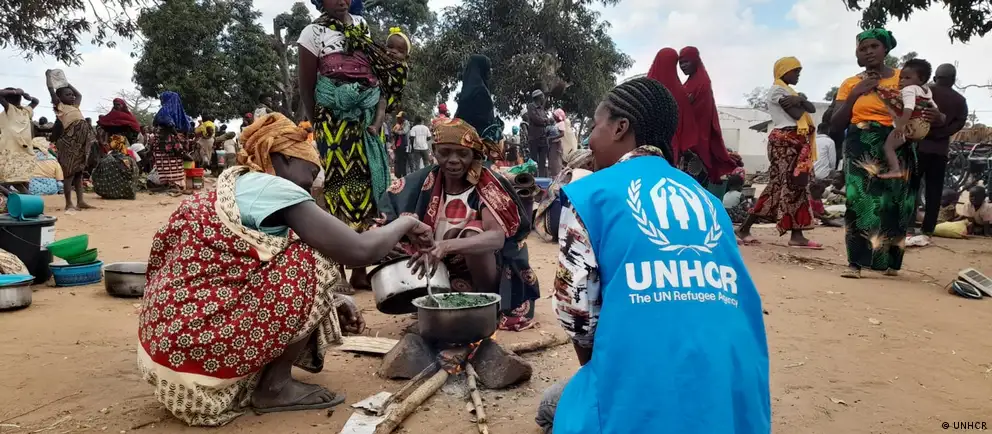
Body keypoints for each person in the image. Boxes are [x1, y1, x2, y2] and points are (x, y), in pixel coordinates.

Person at [137, 113, 433, 426]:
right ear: (284, 158)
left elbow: (239, 275)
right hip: (197, 349)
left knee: (300, 252)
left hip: (169, 352)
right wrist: (407, 222)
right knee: (312, 256)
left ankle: (259, 378)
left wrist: (332, 303)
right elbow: (358, 250)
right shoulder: (274, 187)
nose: (311, 185)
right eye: (310, 173)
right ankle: (275, 388)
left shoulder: (238, 183)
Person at [539, 77, 769, 434]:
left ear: (620, 128)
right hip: (732, 402)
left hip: (641, 401)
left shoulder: (592, 195)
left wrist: (600, 372)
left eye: (595, 126)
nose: (589, 140)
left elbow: (577, 314)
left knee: (551, 405)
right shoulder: (709, 202)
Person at [379, 118, 540, 331]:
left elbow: (496, 237)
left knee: (472, 233)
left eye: (462, 154)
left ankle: (485, 305)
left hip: (489, 274)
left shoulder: (486, 184)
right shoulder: (424, 180)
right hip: (441, 276)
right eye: (445, 153)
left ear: (474, 154)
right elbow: (388, 211)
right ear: (434, 151)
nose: (453, 160)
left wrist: (445, 246)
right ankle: (437, 299)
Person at [298, 0, 407, 291]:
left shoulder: (360, 25)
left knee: (367, 190)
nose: (341, 0)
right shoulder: (312, 33)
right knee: (338, 191)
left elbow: (376, 68)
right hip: (332, 122)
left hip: (364, 118)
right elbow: (306, 85)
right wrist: (318, 126)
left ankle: (360, 270)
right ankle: (338, 273)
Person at [830, 28, 943, 278]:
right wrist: (856, 94)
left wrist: (937, 116)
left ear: (886, 49)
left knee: (897, 203)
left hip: (898, 144)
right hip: (861, 145)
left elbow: (928, 108)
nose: (868, 52)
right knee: (860, 201)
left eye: (874, 46)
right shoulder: (850, 84)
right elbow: (835, 124)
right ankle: (856, 263)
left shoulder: (905, 78)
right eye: (863, 48)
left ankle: (890, 262)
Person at [736, 57, 821, 249]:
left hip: (794, 141)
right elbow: (797, 114)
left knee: (789, 186)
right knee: (790, 185)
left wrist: (800, 99)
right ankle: (794, 235)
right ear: (783, 71)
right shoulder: (777, 91)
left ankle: (748, 229)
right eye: (795, 71)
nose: (798, 75)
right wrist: (801, 100)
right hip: (785, 142)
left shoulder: (789, 92)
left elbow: (811, 108)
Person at [913, 63, 968, 241]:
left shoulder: (924, 91)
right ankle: (928, 229)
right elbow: (959, 123)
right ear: (953, 80)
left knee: (911, 187)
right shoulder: (960, 100)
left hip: (919, 146)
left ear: (935, 77)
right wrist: (943, 132)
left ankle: (907, 224)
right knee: (934, 191)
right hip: (940, 150)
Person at [678, 46, 737, 184]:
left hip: (696, 143)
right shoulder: (689, 83)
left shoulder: (702, 83)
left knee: (693, 184)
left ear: (695, 61)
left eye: (686, 61)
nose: (683, 66)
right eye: (680, 63)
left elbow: (700, 115)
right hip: (686, 143)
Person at [878, 59, 937, 179]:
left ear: (921, 79)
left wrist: (900, 127)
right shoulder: (926, 91)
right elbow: (935, 108)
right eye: (901, 78)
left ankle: (895, 170)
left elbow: (908, 109)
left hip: (910, 125)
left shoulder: (908, 90)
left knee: (888, 147)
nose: (902, 81)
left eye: (907, 78)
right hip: (923, 128)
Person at [47, 81, 97, 211]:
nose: (72, 96)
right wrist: (49, 78)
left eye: (71, 94)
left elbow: (79, 95)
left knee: (79, 173)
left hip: (80, 144)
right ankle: (68, 203)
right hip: (69, 143)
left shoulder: (75, 106)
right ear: (60, 98)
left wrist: (66, 83)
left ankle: (81, 201)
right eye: (68, 94)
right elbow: (52, 92)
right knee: (69, 174)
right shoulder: (60, 107)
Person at [646, 48, 698, 166]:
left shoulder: (646, 87)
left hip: (645, 144)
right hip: (670, 148)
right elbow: (687, 124)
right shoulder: (680, 92)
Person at [533, 149, 593, 242]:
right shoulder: (580, 174)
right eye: (591, 163)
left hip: (551, 226)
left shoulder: (563, 174)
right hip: (560, 225)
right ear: (586, 164)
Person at [148, 91, 193, 192]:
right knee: (176, 162)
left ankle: (168, 183)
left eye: (162, 99)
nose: (161, 101)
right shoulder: (181, 112)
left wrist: (175, 134)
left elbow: (169, 123)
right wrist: (180, 138)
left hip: (164, 141)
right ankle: (177, 183)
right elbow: (188, 127)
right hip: (177, 145)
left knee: (164, 162)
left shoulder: (164, 110)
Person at [0, 88, 40, 193]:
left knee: (17, 178)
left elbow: (36, 101)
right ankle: (26, 198)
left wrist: (20, 93)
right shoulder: (20, 110)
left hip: (16, 151)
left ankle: (23, 197)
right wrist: (22, 94)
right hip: (18, 151)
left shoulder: (18, 110)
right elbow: (35, 101)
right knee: (19, 178)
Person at [92, 135, 139, 200]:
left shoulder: (106, 159)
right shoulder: (130, 159)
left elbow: (95, 174)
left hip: (107, 192)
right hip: (128, 192)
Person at [525, 90, 552, 177]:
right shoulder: (531, 106)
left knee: (542, 161)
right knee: (534, 161)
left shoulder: (541, 109)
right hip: (534, 138)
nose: (543, 98)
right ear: (539, 97)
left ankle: (542, 179)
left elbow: (547, 121)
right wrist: (545, 121)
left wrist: (545, 121)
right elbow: (536, 119)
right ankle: (534, 179)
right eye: (542, 96)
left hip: (543, 138)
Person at [391, 112, 412, 177]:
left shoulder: (406, 123)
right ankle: (399, 174)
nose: (398, 118)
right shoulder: (400, 124)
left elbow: (404, 132)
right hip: (399, 145)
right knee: (398, 160)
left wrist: (396, 131)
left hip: (404, 145)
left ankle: (403, 174)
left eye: (399, 117)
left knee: (403, 160)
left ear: (403, 118)